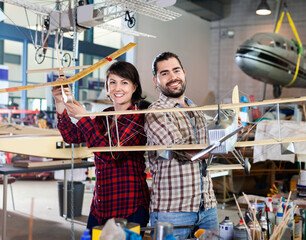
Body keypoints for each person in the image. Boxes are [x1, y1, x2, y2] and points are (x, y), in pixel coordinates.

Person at [52, 61, 150, 234]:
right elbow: (72, 136)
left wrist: (83, 118)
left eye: (124, 82)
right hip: (101, 204)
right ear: (106, 87)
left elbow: (111, 153)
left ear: (134, 87)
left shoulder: (137, 118)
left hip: (129, 205)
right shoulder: (105, 115)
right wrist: (60, 103)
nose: (117, 88)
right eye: (112, 82)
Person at [144, 52, 218, 239]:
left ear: (184, 73)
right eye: (165, 73)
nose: (172, 77)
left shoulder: (195, 109)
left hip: (207, 207)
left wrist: (228, 133)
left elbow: (207, 152)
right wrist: (223, 143)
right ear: (156, 80)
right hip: (173, 210)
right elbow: (183, 151)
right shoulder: (156, 112)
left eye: (176, 70)